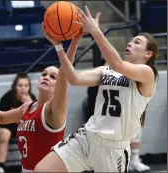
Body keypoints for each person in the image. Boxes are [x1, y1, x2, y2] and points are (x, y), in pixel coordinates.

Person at [34, 6, 158, 173]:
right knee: (42, 170)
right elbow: (74, 78)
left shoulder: (147, 74)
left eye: (137, 42)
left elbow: (118, 64)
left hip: (113, 149)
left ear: (148, 54)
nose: (130, 43)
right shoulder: (107, 70)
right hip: (87, 137)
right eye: (131, 40)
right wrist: (60, 46)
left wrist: (95, 31)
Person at [0, 24, 84, 172]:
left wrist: (73, 43)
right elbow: (1, 117)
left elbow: (64, 74)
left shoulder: (53, 109)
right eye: (44, 74)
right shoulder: (27, 107)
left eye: (52, 77)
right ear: (37, 80)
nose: (46, 77)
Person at [0, 72, 36, 172]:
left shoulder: (31, 99)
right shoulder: (8, 97)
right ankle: (0, 166)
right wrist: (19, 120)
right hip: (0, 128)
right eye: (20, 85)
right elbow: (2, 121)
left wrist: (30, 104)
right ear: (15, 87)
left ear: (29, 87)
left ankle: (33, 164)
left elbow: (37, 121)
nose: (23, 88)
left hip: (18, 129)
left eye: (26, 86)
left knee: (36, 133)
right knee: (6, 133)